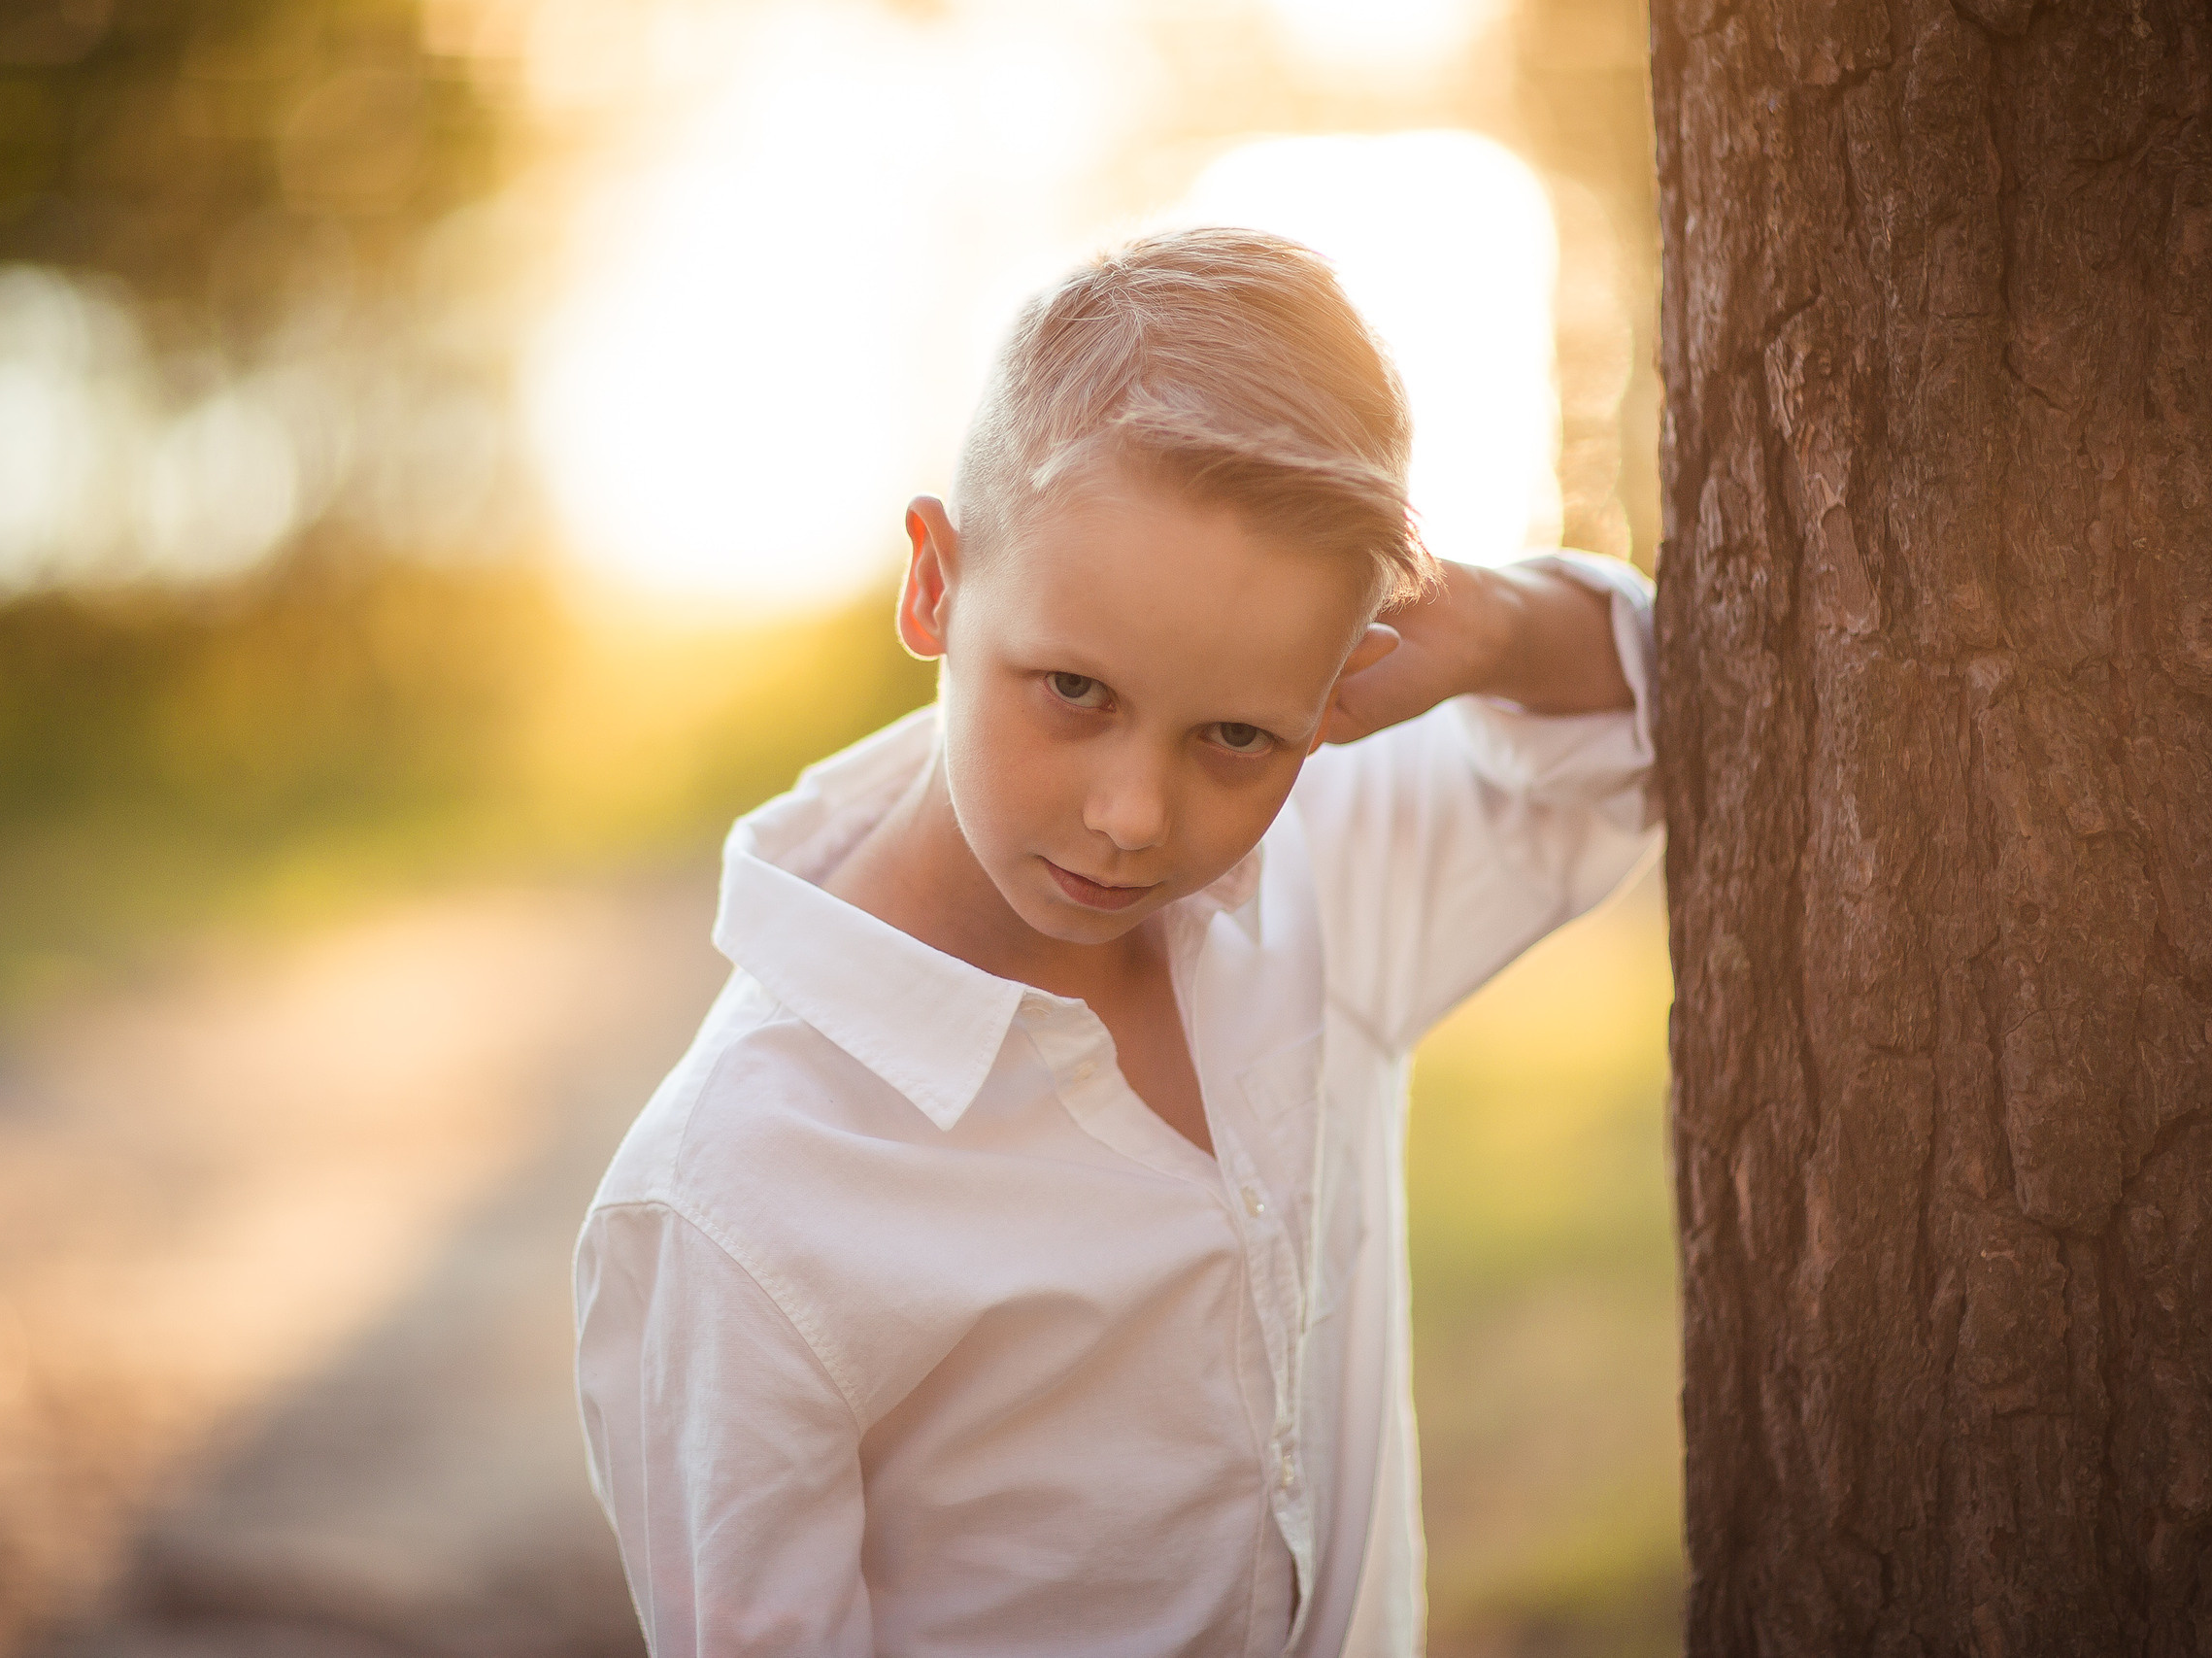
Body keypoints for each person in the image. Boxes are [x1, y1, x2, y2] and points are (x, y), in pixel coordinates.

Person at [572, 226, 1659, 1657]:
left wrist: (1501, 625)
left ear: (1335, 692)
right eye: (1073, 689)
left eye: (1235, 734)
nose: (1136, 817)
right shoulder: (739, 1196)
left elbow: (1644, 726)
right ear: (935, 587)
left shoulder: (1312, 874)